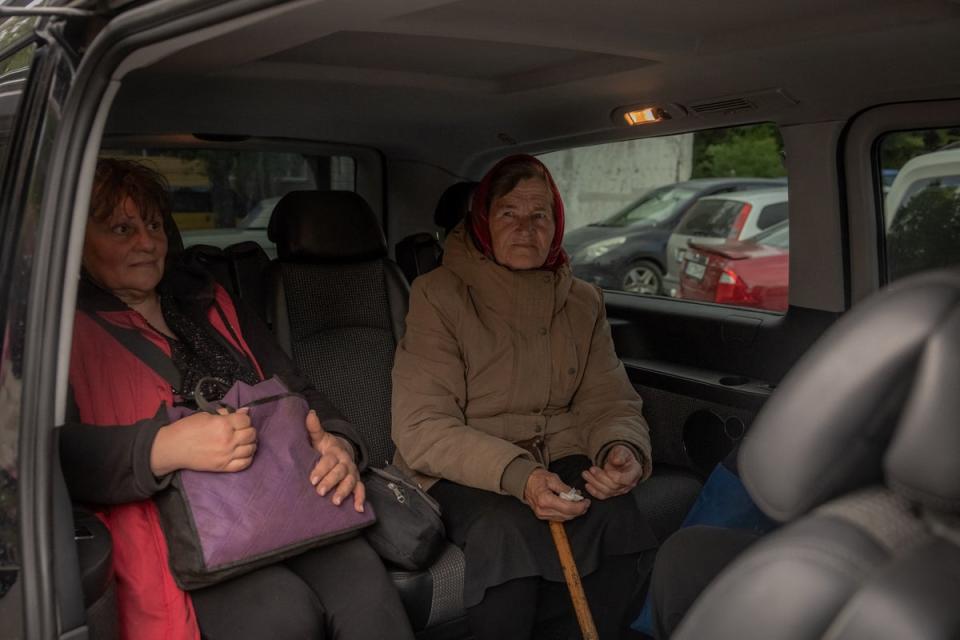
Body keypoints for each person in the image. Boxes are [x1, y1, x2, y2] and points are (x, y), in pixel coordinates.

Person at [60, 158, 415, 640]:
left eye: (153, 225)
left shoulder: (210, 300)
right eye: (121, 229)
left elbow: (297, 387)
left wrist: (340, 442)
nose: (146, 242)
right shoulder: (59, 334)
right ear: (76, 244)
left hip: (287, 495)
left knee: (368, 592)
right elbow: (50, 456)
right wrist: (162, 448)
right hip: (188, 529)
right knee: (280, 615)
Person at [392, 154, 659, 639]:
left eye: (540, 215)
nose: (525, 228)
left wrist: (620, 448)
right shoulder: (438, 294)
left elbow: (609, 399)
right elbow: (423, 426)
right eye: (508, 214)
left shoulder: (582, 301)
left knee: (615, 512)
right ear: (482, 224)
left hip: (559, 452)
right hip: (465, 466)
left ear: (556, 225)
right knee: (507, 531)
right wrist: (522, 476)